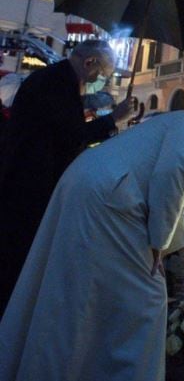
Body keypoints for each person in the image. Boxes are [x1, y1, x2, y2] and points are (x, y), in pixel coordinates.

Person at [0, 109, 184, 381]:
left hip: (89, 181)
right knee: (148, 297)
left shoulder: (176, 122)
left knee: (75, 292)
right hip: (110, 195)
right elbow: (173, 172)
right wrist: (158, 242)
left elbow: (172, 197)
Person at [0, 40, 136, 313]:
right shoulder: (56, 83)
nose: (101, 81)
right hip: (28, 190)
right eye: (102, 75)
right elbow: (70, 136)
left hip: (28, 185)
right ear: (89, 63)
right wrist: (114, 119)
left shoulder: (56, 80)